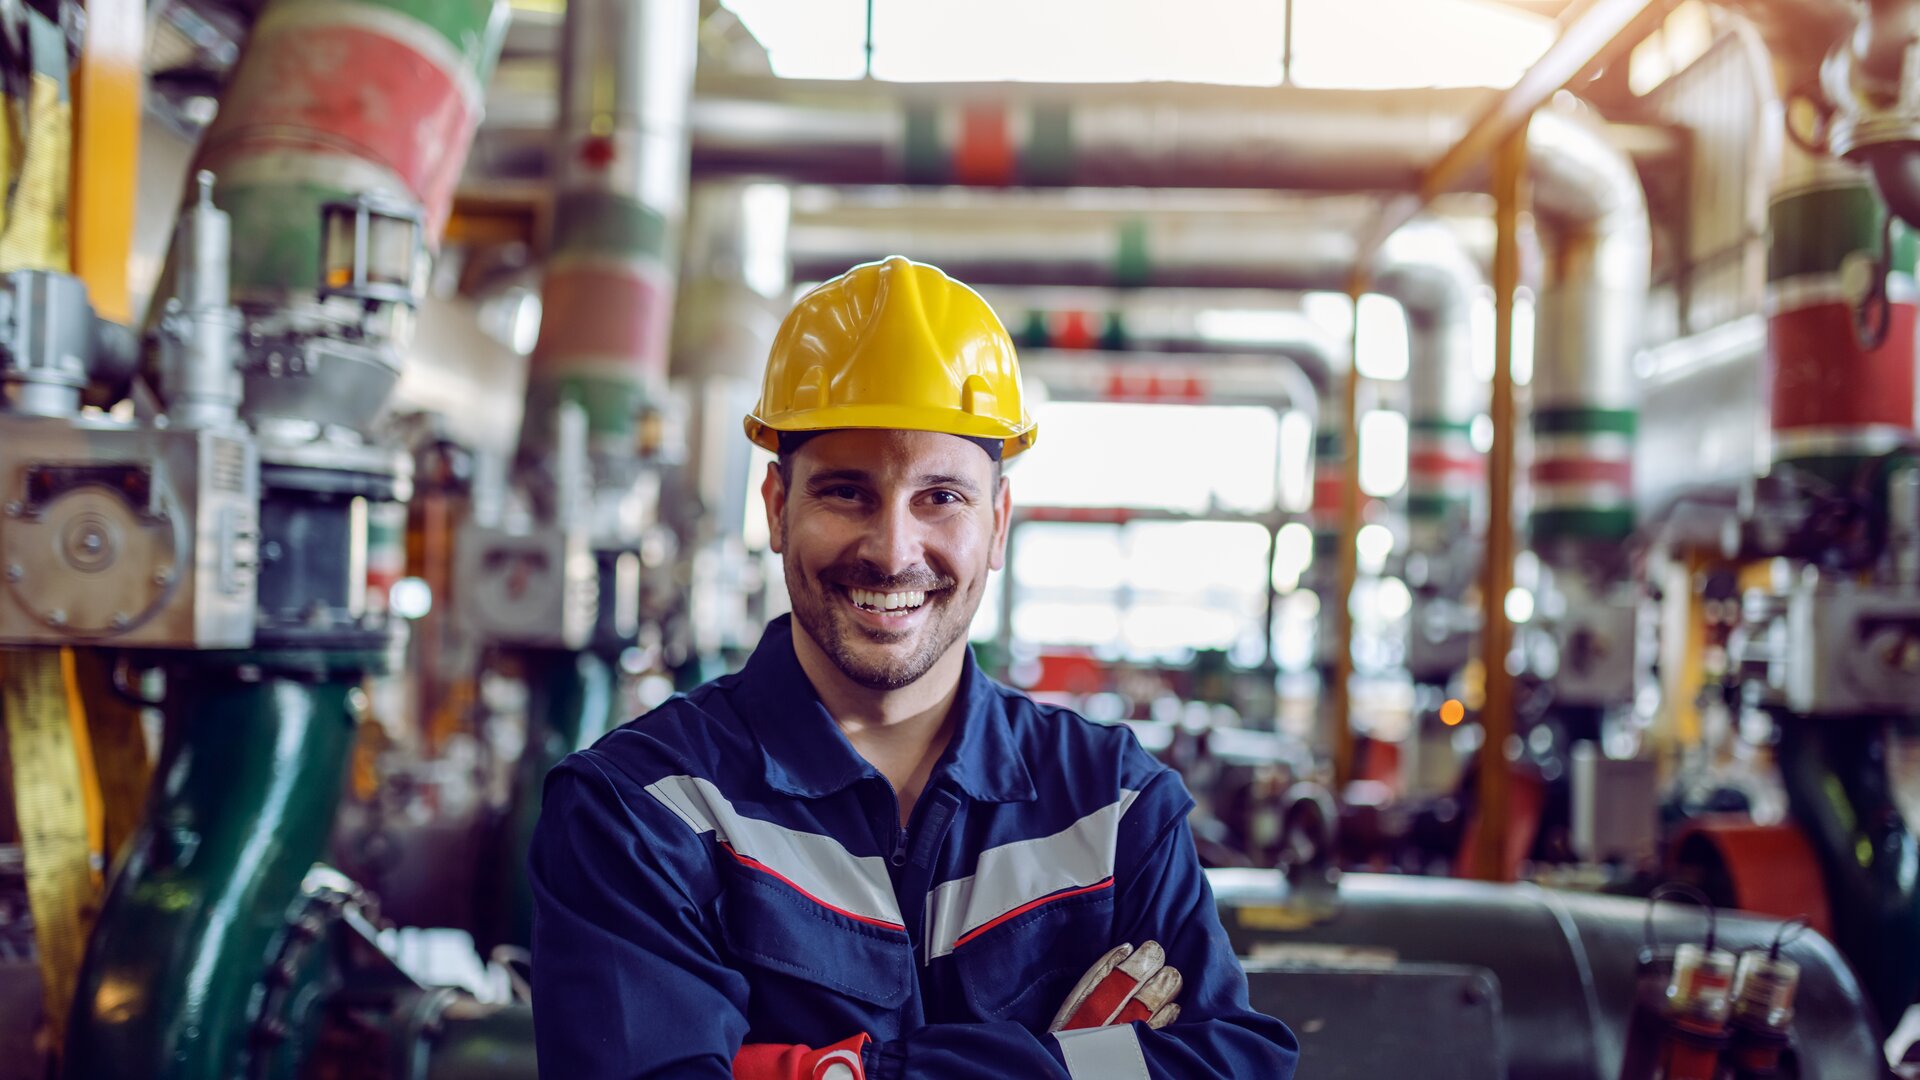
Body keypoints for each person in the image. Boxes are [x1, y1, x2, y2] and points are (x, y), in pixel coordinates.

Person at [529, 255, 1299, 1079]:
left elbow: (1235, 1066)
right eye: (846, 493)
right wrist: (1072, 1062)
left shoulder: (1113, 806)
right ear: (777, 509)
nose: (893, 552)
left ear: (997, 523)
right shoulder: (642, 812)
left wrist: (813, 1069)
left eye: (941, 497)